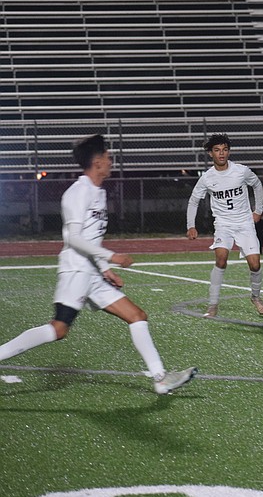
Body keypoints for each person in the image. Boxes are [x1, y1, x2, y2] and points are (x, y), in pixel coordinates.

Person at [0, 135, 197, 395]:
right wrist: (112, 256)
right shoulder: (78, 193)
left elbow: (90, 238)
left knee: (137, 316)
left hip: (92, 272)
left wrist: (104, 268)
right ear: (97, 161)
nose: (110, 160)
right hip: (76, 270)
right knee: (58, 329)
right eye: (107, 156)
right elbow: (73, 238)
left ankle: (160, 378)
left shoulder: (99, 192)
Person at [186, 134, 263, 318]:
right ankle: (213, 304)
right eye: (217, 150)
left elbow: (257, 184)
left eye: (224, 149)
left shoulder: (241, 171)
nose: (221, 154)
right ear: (210, 153)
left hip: (245, 223)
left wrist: (258, 210)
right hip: (223, 224)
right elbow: (193, 201)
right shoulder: (207, 178)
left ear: (228, 151)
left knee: (255, 264)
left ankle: (256, 297)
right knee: (221, 258)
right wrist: (191, 225)